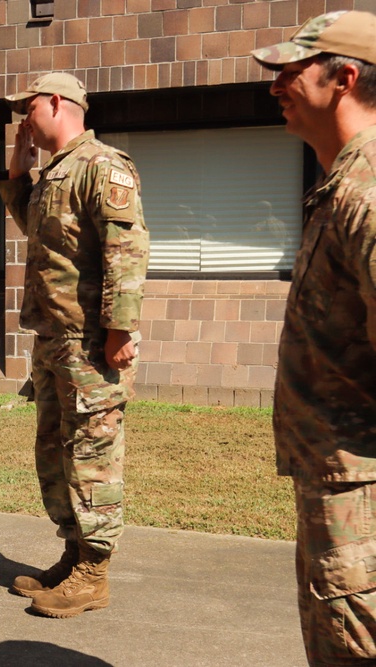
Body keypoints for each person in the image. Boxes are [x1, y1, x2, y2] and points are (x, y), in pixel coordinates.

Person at [0, 73, 149, 618]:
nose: (23, 119)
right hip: (55, 342)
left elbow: (125, 252)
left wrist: (120, 332)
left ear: (56, 103)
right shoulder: (55, 173)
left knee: (92, 455)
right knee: (56, 455)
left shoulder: (101, 165)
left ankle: (94, 572)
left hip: (89, 346)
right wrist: (19, 157)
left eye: (28, 110)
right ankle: (73, 551)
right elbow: (30, 223)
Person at [252, 11, 376, 665]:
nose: (274, 85)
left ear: (345, 77)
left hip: (364, 503)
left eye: (290, 71)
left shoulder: (367, 194)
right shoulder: (338, 186)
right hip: (338, 490)